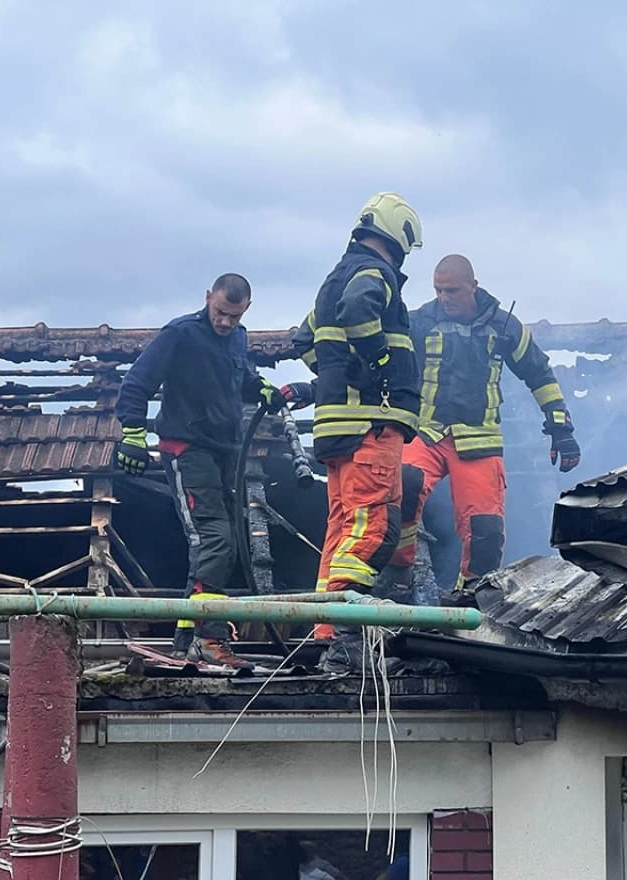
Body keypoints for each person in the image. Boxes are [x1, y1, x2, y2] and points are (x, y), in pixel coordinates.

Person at [387, 254, 581, 604]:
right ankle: (398, 571)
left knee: (486, 530)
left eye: (452, 291)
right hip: (426, 433)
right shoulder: (418, 322)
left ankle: (471, 594)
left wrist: (560, 429)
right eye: (438, 290)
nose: (444, 298)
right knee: (402, 484)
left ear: (473, 287)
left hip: (480, 440)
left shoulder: (505, 326)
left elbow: (539, 374)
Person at [114, 272, 280, 670]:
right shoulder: (180, 333)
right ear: (208, 297)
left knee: (216, 544)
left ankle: (187, 640)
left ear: (246, 310)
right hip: (186, 449)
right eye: (220, 312)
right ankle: (209, 638)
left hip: (224, 452)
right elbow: (136, 382)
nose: (225, 322)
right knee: (214, 538)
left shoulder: (238, 339)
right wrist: (133, 434)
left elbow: (241, 380)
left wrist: (261, 388)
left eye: (234, 316)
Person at [282, 193, 422, 653]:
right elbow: (360, 309)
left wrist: (335, 377)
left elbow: (305, 338)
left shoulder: (334, 279)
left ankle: (326, 633)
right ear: (399, 236)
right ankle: (347, 640)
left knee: (343, 529)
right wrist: (377, 362)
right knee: (372, 529)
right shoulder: (374, 273)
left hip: (336, 426)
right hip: (371, 423)